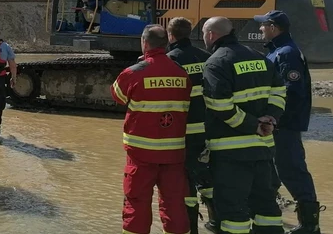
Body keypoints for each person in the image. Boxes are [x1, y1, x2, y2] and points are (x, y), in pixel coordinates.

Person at [202, 16, 287, 234]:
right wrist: (271, 118)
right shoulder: (260, 57)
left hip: (232, 154)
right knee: (267, 207)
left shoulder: (216, 62)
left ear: (211, 35)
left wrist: (253, 125)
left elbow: (219, 105)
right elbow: (279, 91)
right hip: (264, 150)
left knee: (233, 211)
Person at [110, 24, 192, 234]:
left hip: (140, 154)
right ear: (166, 43)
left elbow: (117, 97)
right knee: (174, 204)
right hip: (174, 153)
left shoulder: (134, 72)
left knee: (136, 203)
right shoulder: (181, 72)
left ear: (144, 43)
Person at [254, 10, 324, 233]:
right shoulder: (278, 51)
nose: (260, 29)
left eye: (263, 25)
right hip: (280, 125)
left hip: (285, 126)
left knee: (292, 169)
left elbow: (292, 92)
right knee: (276, 170)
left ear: (273, 27)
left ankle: (310, 225)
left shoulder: (286, 53)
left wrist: (275, 119)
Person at [166, 17, 218, 233]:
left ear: (171, 35)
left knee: (186, 181)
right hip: (209, 131)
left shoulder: (170, 61)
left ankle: (192, 228)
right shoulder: (209, 58)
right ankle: (216, 220)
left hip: (184, 133)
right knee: (208, 178)